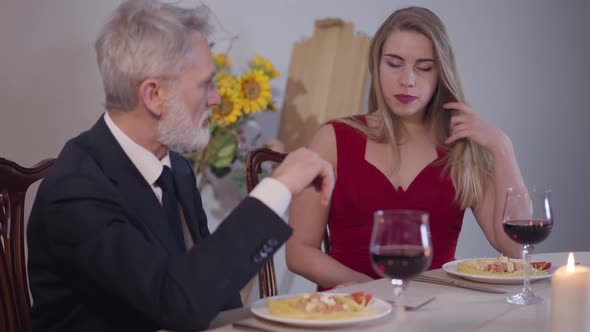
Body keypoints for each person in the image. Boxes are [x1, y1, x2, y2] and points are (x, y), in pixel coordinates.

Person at [26, 1, 334, 331]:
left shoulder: (176, 167)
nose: (216, 98)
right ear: (154, 94)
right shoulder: (75, 191)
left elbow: (213, 291)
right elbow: (175, 300)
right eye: (205, 84)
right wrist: (279, 186)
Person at [285, 6, 527, 289]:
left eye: (424, 67)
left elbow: (516, 249)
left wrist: (502, 148)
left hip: (435, 313)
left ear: (441, 73)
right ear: (376, 65)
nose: (407, 80)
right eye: (394, 63)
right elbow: (299, 252)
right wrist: (370, 290)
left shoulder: (462, 149)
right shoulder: (333, 139)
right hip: (349, 312)